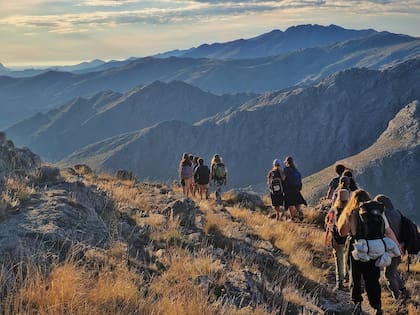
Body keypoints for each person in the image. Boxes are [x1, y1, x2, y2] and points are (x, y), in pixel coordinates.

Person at [337, 189, 400, 315]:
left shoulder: (351, 212)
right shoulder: (377, 212)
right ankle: (377, 306)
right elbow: (388, 231)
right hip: (374, 249)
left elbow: (342, 232)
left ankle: (357, 305)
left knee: (355, 277)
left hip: (356, 249)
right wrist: (397, 246)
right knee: (373, 278)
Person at [373, 194, 407, 300]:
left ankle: (397, 298)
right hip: (400, 246)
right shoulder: (397, 213)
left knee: (388, 274)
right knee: (393, 270)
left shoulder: (383, 215)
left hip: (390, 247)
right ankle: (403, 290)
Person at [325, 176, 351, 290]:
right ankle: (348, 277)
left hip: (336, 238)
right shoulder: (351, 211)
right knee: (348, 258)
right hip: (348, 239)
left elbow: (328, 223)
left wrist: (328, 236)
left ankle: (339, 281)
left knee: (338, 259)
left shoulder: (333, 210)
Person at [282, 156, 307, 221]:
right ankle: (300, 214)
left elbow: (283, 178)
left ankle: (292, 218)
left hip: (289, 189)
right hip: (296, 189)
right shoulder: (295, 169)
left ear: (287, 162)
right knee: (297, 202)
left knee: (290, 204)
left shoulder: (286, 169)